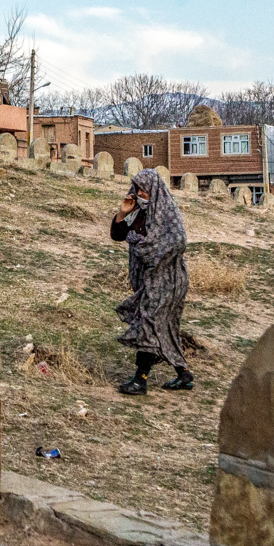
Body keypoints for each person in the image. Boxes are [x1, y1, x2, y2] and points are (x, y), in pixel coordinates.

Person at [110, 168, 192, 395]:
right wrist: (122, 213)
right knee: (163, 327)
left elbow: (178, 242)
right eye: (137, 190)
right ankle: (183, 374)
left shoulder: (167, 214)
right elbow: (117, 235)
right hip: (149, 280)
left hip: (168, 280)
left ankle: (140, 380)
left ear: (154, 191)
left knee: (149, 323)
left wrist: (146, 249)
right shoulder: (137, 213)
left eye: (144, 191)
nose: (140, 194)